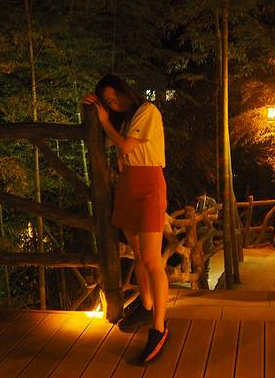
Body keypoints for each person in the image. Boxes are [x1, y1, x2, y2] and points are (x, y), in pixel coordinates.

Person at [82, 74, 169, 364]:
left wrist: (105, 120)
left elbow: (128, 147)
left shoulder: (147, 111)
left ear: (125, 91)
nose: (114, 103)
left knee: (152, 260)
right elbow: (110, 143)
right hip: (127, 184)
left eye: (115, 96)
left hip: (149, 184)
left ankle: (159, 327)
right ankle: (146, 305)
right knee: (138, 253)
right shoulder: (126, 120)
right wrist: (93, 110)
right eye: (108, 102)